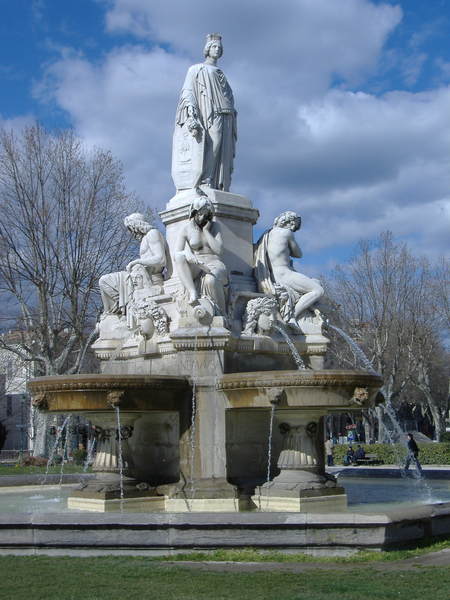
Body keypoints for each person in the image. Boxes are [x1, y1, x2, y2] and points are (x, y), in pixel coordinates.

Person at [172, 33, 237, 191]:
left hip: (226, 114)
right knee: (213, 144)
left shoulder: (222, 74)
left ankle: (218, 183)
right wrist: (191, 112)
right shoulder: (196, 69)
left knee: (224, 151)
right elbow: (187, 92)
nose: (217, 50)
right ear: (207, 49)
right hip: (209, 113)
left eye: (219, 48)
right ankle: (205, 179)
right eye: (214, 47)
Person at [254, 211, 324, 324]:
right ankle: (292, 317)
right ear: (287, 222)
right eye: (293, 224)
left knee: (315, 283)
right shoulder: (286, 233)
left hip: (273, 276)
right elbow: (298, 254)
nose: (293, 228)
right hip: (285, 275)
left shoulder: (266, 235)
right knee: (318, 290)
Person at [99, 213, 170, 317]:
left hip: (148, 279)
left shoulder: (152, 233)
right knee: (104, 281)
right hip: (139, 276)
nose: (131, 232)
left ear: (138, 225)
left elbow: (161, 259)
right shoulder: (145, 238)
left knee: (104, 280)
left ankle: (118, 309)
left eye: (132, 228)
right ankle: (115, 310)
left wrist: (137, 262)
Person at [174, 196, 228, 315]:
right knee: (180, 257)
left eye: (206, 214)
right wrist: (187, 254)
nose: (202, 217)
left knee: (210, 280)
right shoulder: (186, 229)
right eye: (200, 214)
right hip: (197, 265)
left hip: (214, 263)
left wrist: (206, 231)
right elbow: (176, 253)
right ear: (194, 212)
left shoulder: (215, 226)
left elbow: (219, 250)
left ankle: (221, 314)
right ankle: (192, 291)